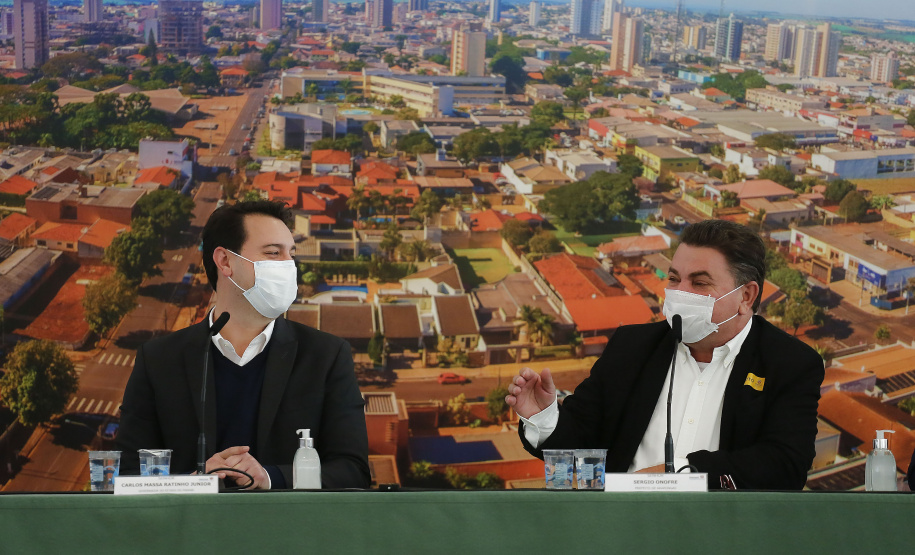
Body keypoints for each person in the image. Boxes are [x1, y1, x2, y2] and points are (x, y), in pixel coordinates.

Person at [507, 219, 824, 490]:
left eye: (699, 283)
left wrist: (682, 474)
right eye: (674, 279)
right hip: (623, 524)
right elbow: (580, 440)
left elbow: (785, 465)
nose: (679, 292)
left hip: (721, 530)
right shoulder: (632, 347)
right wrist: (543, 417)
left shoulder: (790, 364)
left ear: (746, 296)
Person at [117, 201, 370, 489]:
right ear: (225, 261)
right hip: (191, 518)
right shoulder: (159, 360)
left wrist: (270, 477)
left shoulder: (326, 356)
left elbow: (353, 470)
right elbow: (128, 474)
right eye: (273, 253)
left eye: (291, 254)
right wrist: (195, 484)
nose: (289, 265)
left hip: (286, 519)